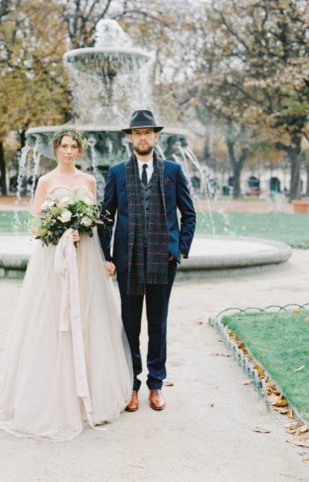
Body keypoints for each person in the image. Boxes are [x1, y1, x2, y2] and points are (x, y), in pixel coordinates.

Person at [0, 128, 132, 441]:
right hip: (54, 262)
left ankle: (90, 392)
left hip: (83, 259)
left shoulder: (88, 181)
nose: (69, 151)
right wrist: (58, 232)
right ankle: (52, 395)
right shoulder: (46, 182)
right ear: (57, 149)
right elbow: (35, 224)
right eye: (65, 146)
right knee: (53, 320)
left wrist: (90, 240)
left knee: (86, 316)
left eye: (74, 147)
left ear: (79, 151)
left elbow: (96, 224)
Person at [99, 110, 196, 412]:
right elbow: (105, 217)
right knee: (129, 325)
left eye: (147, 132)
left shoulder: (172, 171)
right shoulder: (116, 173)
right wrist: (107, 256)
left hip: (162, 260)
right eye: (137, 133)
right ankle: (131, 384)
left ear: (155, 137)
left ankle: (156, 385)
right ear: (130, 138)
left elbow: (189, 214)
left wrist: (178, 248)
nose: (142, 137)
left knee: (158, 324)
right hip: (128, 262)